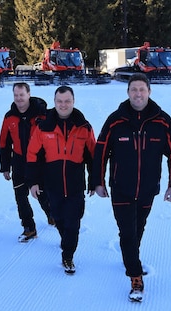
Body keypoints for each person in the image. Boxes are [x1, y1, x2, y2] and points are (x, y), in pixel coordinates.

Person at [91, 73, 171, 302]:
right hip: (121, 188)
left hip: (147, 189)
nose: (138, 94)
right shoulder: (115, 120)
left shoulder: (162, 120)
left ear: (149, 92)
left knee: (139, 227)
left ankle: (130, 256)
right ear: (128, 93)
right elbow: (100, 152)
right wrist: (97, 181)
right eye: (134, 89)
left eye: (142, 89)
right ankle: (134, 274)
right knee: (127, 231)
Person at [27, 86, 96, 274]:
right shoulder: (43, 126)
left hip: (75, 184)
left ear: (73, 102)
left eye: (67, 101)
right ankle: (66, 239)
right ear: (54, 102)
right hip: (52, 184)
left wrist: (94, 180)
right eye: (60, 101)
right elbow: (32, 154)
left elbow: (93, 156)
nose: (63, 105)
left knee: (73, 221)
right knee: (58, 218)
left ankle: (68, 255)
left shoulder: (84, 127)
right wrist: (33, 182)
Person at [0, 82, 53, 243]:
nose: (19, 98)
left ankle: (51, 213)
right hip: (19, 162)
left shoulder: (42, 114)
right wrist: (5, 166)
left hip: (38, 162)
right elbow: (4, 143)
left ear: (29, 94)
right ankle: (29, 228)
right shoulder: (9, 117)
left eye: (22, 95)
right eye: (16, 95)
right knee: (20, 196)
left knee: (41, 194)